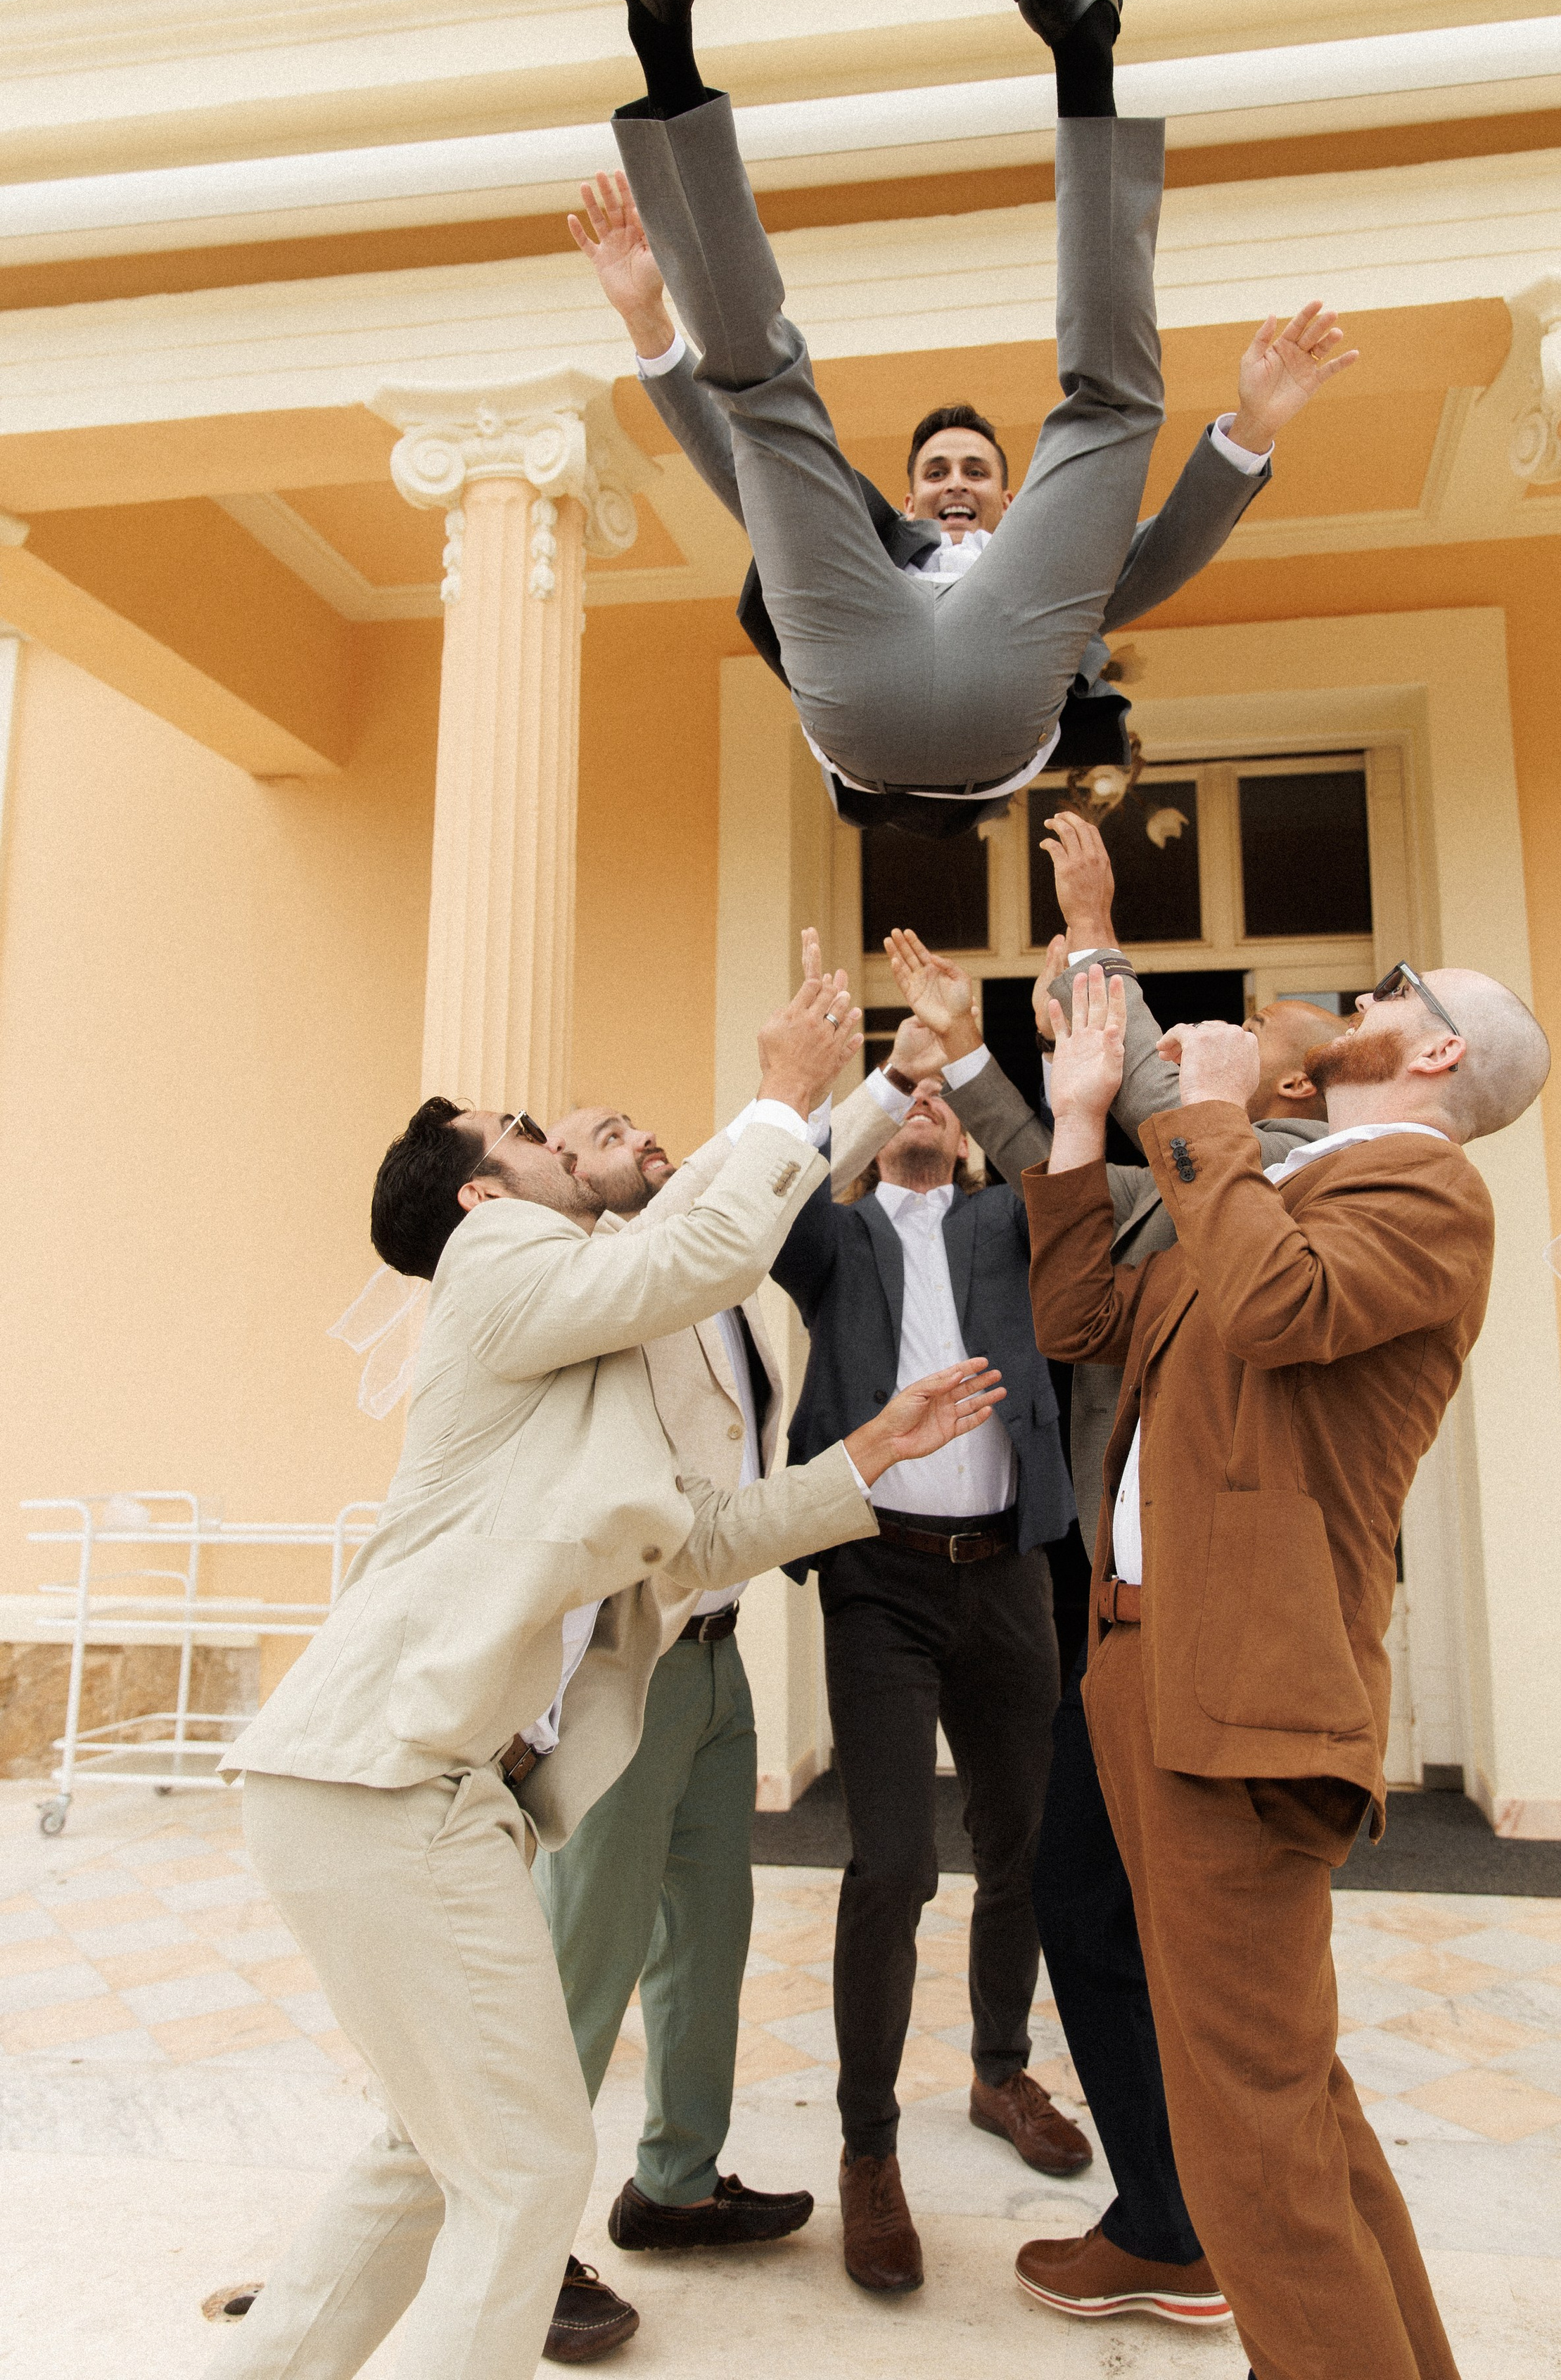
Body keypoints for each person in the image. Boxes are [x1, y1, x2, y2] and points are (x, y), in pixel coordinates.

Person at [209, 972, 1007, 2380]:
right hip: (388, 1780)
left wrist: (864, 1455)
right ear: (482, 1198)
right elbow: (689, 1241)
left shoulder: (575, 1327)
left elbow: (692, 1532)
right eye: (524, 1130)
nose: (561, 1138)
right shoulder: (501, 1267)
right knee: (524, 2173)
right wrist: (787, 1090)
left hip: (391, 1789)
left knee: (428, 2153)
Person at [567, 0, 1358, 836]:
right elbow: (1166, 557)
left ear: (1011, 501)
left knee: (763, 400)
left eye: (972, 470)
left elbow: (743, 472)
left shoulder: (940, 556)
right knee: (1113, 410)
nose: (953, 480)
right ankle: (1082, 41)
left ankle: (658, 27)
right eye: (941, 469)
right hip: (994, 700)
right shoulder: (1021, 576)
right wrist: (1250, 426)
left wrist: (649, 324)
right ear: (912, 498)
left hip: (865, 700)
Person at [1024, 957, 1550, 2380]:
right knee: (1283, 2098)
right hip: (1151, 1672)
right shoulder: (1266, 1189)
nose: (1327, 988)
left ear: (1431, 1059)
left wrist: (1209, 1112)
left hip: (1243, 1699)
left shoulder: (1423, 1195)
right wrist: (1081, 1123)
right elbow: (1079, 1325)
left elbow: (1275, 1309)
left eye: (1383, 986)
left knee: (1243, 2130)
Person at [881, 865, 1338, 2330]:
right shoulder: (1195, 1193)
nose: (1250, 1018)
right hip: (1119, 1622)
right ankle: (1164, 2216)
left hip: (1218, 1643)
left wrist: (1092, 936)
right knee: (1092, 1912)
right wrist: (966, 1056)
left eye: (1287, 1019)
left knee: (1198, 1961)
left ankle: (1227, 2241)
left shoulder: (1292, 1183)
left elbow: (1135, 1098)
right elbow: (1060, 1166)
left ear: (1301, 1096)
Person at [530, 1044, 897, 2309]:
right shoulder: (586, 1281)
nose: (641, 1134)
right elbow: (711, 1201)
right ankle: (525, 2244)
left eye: (641, 1118)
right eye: (603, 1132)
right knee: (583, 1960)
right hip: (622, 1671)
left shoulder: (709, 1280)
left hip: (718, 1662)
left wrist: (893, 1082)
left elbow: (770, 1197)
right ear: (561, 1187)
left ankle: (675, 2185)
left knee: (708, 1942)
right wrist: (775, 1098)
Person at [765, 1055, 1086, 2296]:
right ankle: (869, 2152)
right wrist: (814, 1097)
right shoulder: (837, 1242)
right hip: (879, 1585)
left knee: (1023, 1841)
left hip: (1008, 1575)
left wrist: (969, 1064)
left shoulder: (1005, 1221)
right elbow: (773, 1203)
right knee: (892, 1865)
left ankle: (1001, 2070)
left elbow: (1061, 1176)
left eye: (938, 1096)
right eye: (902, 1092)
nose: (923, 1105)